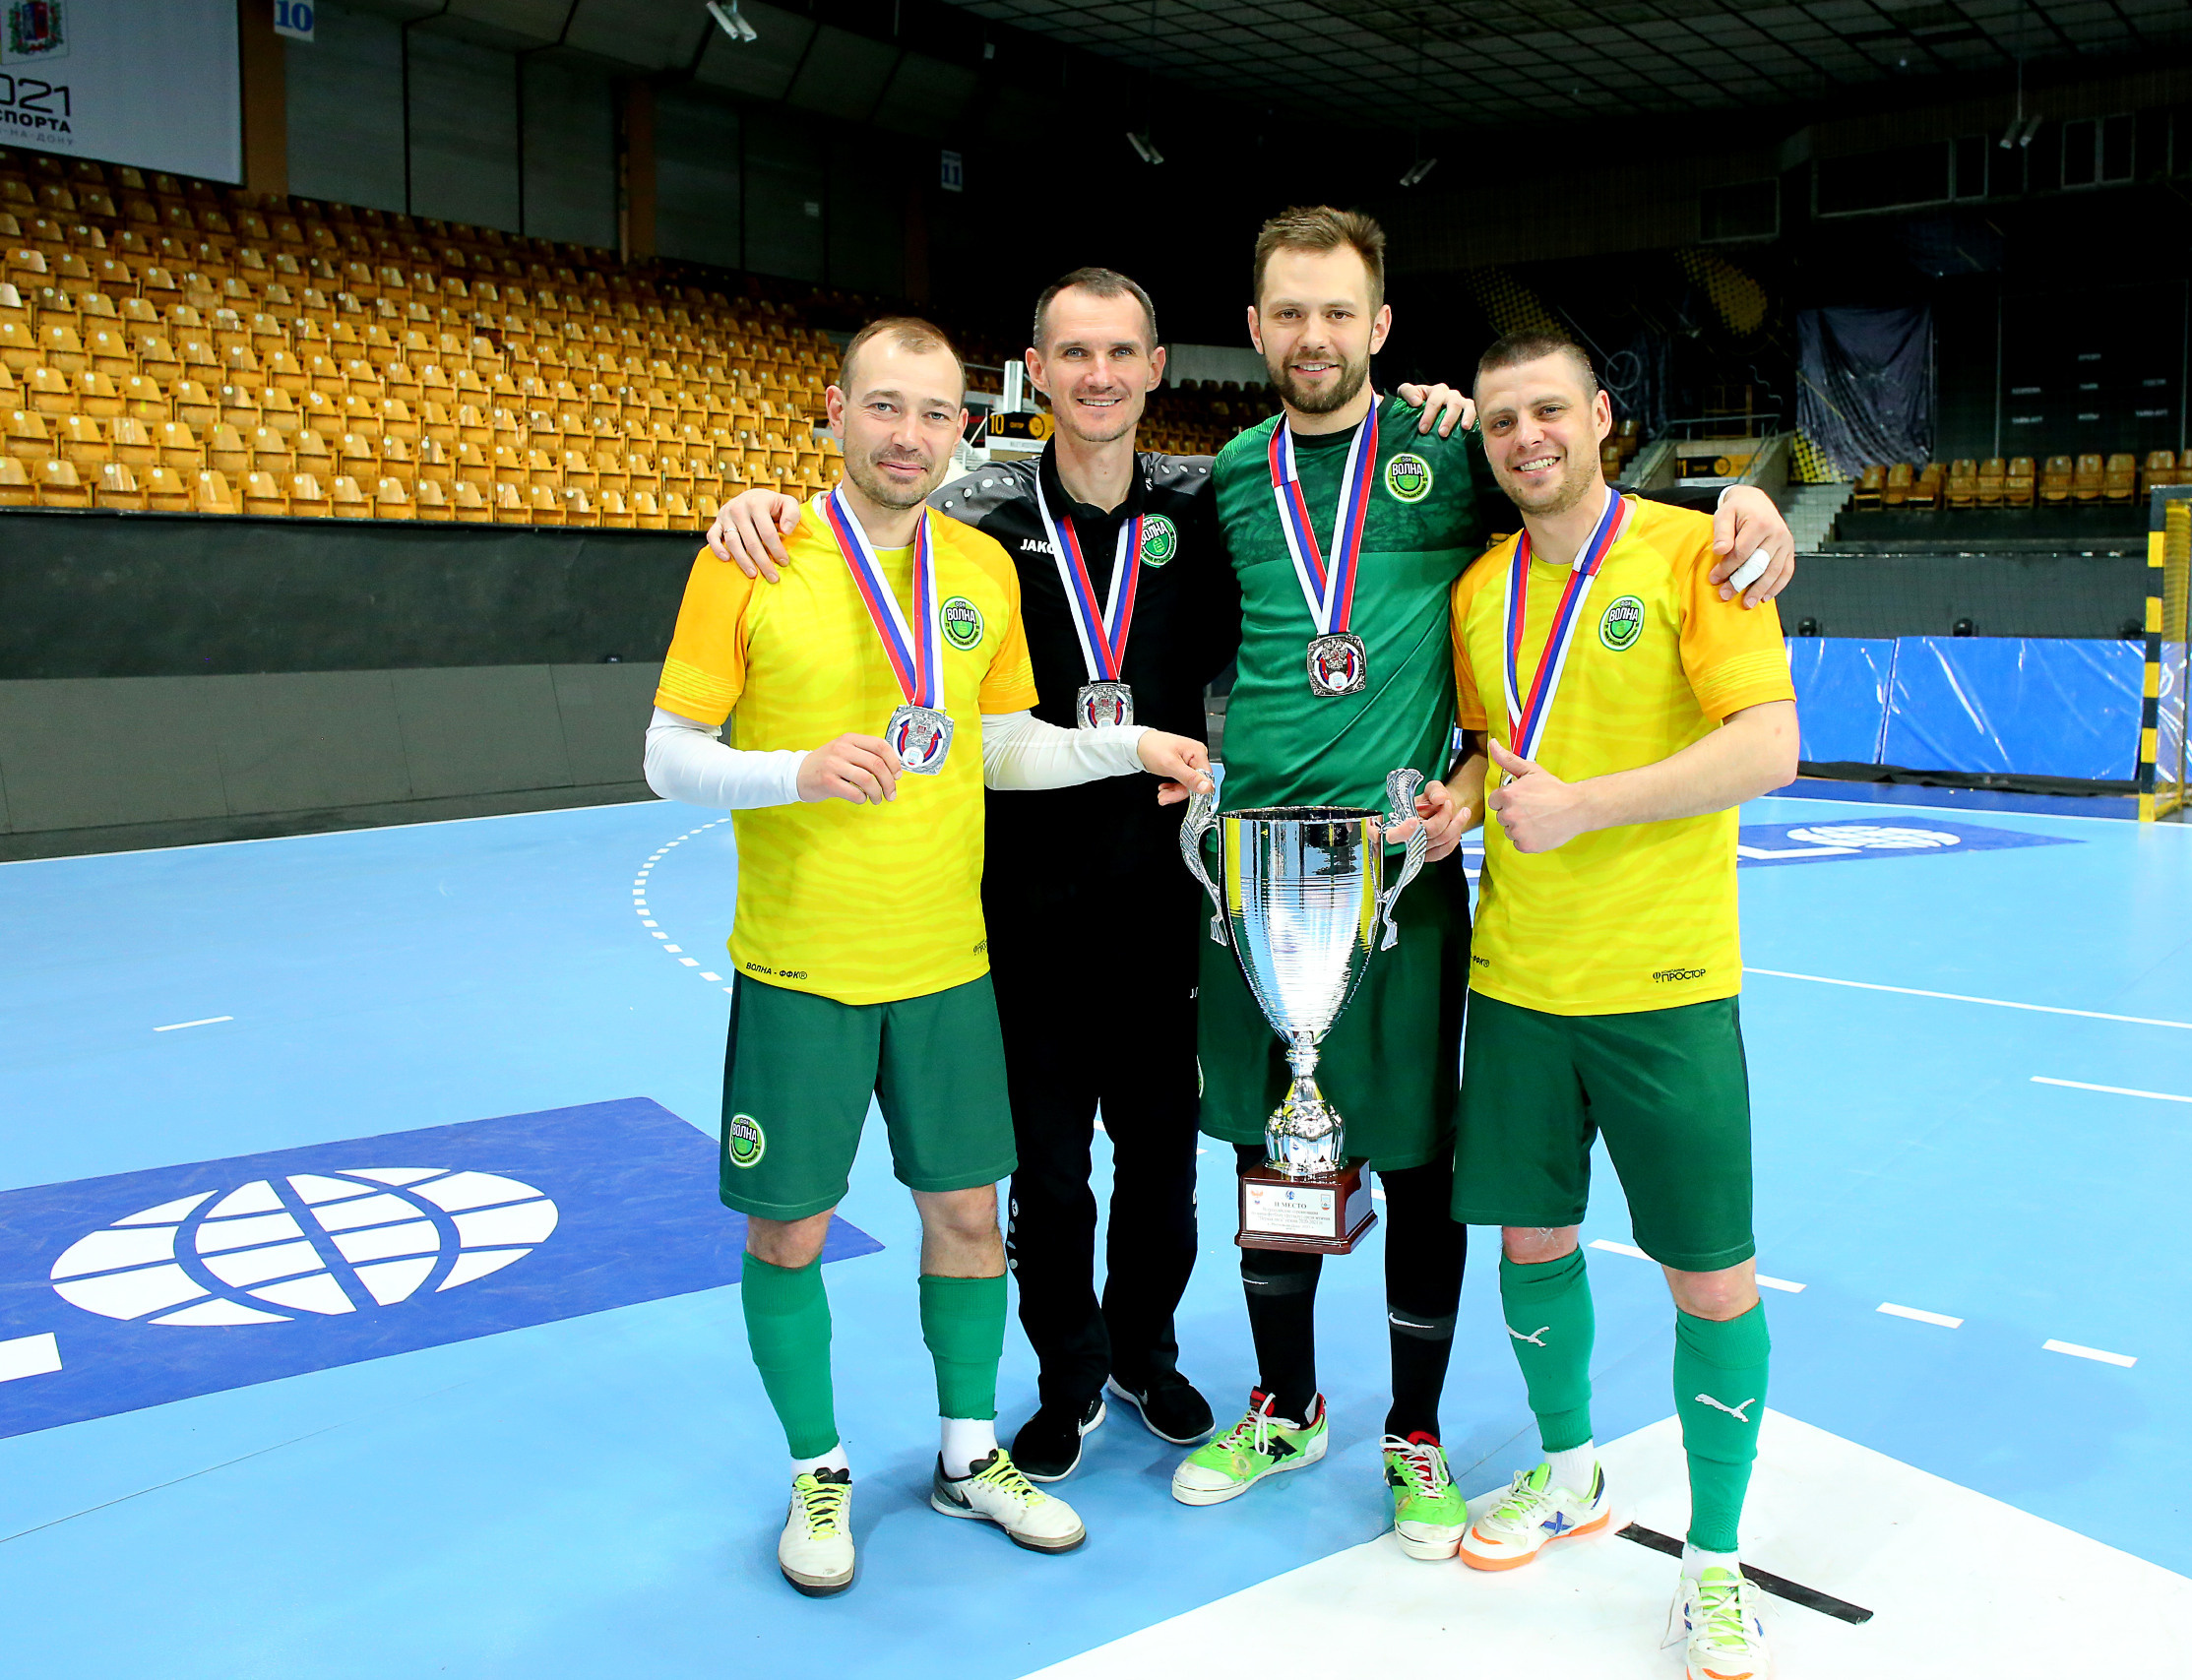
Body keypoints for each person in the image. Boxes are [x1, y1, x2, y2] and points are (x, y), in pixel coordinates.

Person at [701, 273, 1479, 1485]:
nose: (1100, 375)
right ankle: (1066, 1377)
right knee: (1048, 1177)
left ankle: (1147, 1356)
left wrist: (1437, 405)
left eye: (1121, 352)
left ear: (1158, 364)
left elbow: (1310, 607)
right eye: (1074, 354)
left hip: (1181, 904)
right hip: (1021, 908)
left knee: (1164, 1167)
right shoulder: (976, 514)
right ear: (1035, 370)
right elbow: (864, 508)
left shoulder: (1210, 502)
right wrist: (759, 506)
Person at [1176, 207, 1795, 1568]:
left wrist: (1740, 504)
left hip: (1399, 886)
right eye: (1289, 312)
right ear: (1258, 324)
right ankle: (1283, 1400)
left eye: (1340, 311)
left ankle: (1416, 1431)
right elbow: (1199, 638)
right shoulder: (1227, 475)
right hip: (1263, 876)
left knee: (1416, 1156)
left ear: (1383, 329)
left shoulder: (1448, 454)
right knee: (1277, 1146)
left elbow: (1582, 520)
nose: (1314, 335)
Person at [644, 315, 1213, 1596]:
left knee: (967, 1218)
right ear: (833, 413)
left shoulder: (977, 564)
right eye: (884, 407)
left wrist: (1132, 746)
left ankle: (966, 1454)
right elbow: (667, 750)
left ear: (968, 428)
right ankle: (819, 1472)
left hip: (950, 962)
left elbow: (1000, 743)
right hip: (800, 966)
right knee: (788, 1232)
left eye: (935, 412)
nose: (909, 434)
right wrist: (794, 770)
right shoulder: (756, 552)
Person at [1414, 330, 1797, 1679]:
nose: (1526, 436)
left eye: (1550, 412)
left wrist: (1585, 805)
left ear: (1602, 418)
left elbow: (1769, 742)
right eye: (1504, 418)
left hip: (1668, 985)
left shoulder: (1702, 550)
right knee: (1533, 1239)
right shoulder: (1475, 590)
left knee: (1711, 1268)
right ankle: (1570, 1468)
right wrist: (1449, 807)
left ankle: (1716, 1555)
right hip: (1520, 982)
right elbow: (1489, 750)